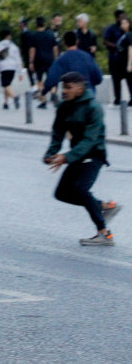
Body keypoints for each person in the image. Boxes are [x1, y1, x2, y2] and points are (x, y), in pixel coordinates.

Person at [44, 72, 121, 246]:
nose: (64, 91)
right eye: (63, 87)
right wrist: (51, 154)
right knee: (61, 193)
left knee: (81, 188)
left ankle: (105, 233)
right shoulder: (64, 107)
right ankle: (104, 206)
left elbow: (89, 140)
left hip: (94, 154)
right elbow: (58, 133)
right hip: (77, 155)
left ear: (80, 88)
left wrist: (66, 157)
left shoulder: (93, 108)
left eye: (69, 88)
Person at [43, 31, 103, 99]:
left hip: (71, 99)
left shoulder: (62, 59)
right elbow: (98, 78)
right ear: (77, 41)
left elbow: (51, 79)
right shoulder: (87, 57)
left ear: (64, 42)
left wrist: (43, 92)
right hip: (89, 96)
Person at [29, 17, 59, 108]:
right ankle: (53, 92)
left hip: (39, 60)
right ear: (44, 24)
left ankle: (43, 100)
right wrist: (56, 59)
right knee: (51, 78)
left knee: (40, 81)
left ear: (36, 24)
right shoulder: (51, 34)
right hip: (50, 59)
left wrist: (31, 62)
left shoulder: (34, 35)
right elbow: (55, 48)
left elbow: (32, 49)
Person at [0, 28, 23, 110]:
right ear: (9, 36)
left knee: (5, 85)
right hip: (12, 68)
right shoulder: (14, 47)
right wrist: (20, 72)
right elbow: (18, 59)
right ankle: (5, 103)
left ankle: (14, 97)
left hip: (3, 67)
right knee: (7, 84)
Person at [104, 10, 127, 105]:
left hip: (126, 59)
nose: (123, 19)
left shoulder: (127, 29)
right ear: (117, 18)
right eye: (121, 17)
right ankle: (117, 98)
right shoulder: (111, 29)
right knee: (116, 80)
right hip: (115, 59)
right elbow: (106, 41)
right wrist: (116, 46)